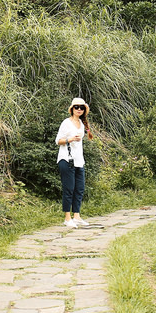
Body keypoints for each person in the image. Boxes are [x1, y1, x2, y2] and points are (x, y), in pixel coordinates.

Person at [56, 97, 94, 227]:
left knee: (79, 189)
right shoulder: (66, 123)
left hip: (79, 161)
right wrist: (70, 139)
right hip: (66, 160)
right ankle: (67, 218)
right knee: (69, 189)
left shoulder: (82, 124)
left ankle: (76, 216)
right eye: (76, 107)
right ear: (72, 109)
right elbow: (58, 141)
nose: (79, 109)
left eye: (81, 107)